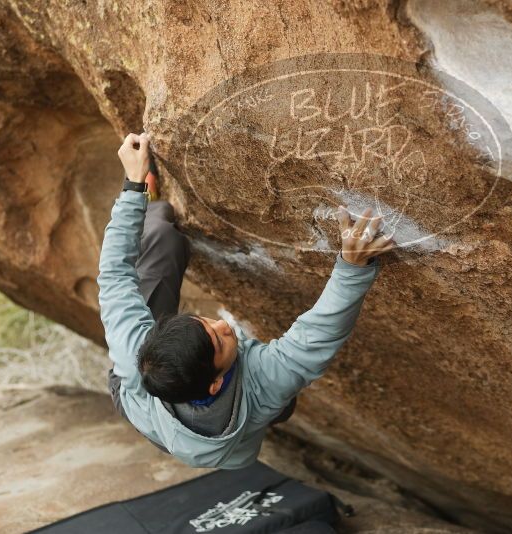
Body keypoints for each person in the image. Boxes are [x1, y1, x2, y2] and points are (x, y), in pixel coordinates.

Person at [99, 132, 394, 468]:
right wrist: (352, 267)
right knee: (280, 399)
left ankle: (152, 204)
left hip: (143, 404)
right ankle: (266, 408)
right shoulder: (263, 385)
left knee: (162, 237)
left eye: (205, 322)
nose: (224, 324)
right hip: (197, 417)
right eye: (219, 341)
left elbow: (114, 276)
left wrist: (134, 186)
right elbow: (316, 337)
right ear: (214, 385)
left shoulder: (133, 351)